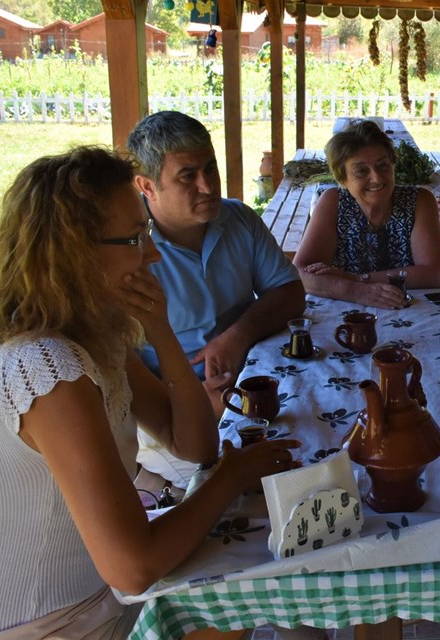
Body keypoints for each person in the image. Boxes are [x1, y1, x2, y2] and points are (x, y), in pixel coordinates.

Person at [0, 147, 301, 638]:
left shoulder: (87, 338)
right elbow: (134, 566)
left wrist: (160, 332)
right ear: (75, 254)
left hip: (97, 600)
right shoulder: (46, 368)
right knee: (245, 601)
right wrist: (229, 478)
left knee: (247, 593)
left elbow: (193, 445)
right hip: (52, 626)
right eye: (134, 237)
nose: (151, 252)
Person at [127, 111, 305, 486]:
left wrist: (237, 336)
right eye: (188, 176)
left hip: (254, 382)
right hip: (168, 415)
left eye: (211, 168)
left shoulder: (238, 218)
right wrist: (186, 405)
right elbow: (117, 362)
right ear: (147, 186)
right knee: (257, 487)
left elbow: (290, 292)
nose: (208, 187)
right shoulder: (130, 251)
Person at [294, 120, 440, 309]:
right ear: (343, 180)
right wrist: (357, 292)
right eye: (361, 171)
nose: (376, 177)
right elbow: (299, 274)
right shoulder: (333, 202)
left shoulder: (419, 201)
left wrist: (356, 279)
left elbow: (434, 275)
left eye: (383, 165)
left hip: (412, 310)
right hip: (348, 314)